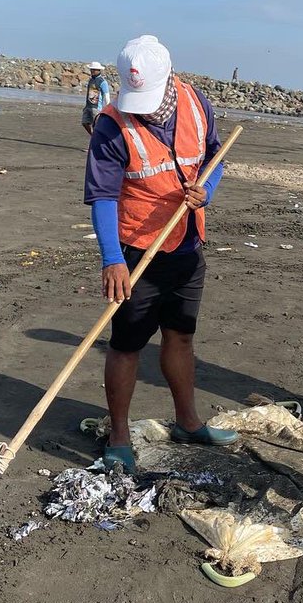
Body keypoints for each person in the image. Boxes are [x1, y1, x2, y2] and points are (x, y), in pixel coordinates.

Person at [83, 35, 239, 473]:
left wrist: (205, 190)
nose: (144, 108)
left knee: (181, 336)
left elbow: (215, 156)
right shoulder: (113, 125)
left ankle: (189, 422)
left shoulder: (194, 102)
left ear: (169, 79)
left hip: (187, 245)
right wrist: (112, 258)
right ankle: (119, 434)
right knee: (127, 344)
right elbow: (102, 196)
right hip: (136, 251)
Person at [82, 62, 111, 135]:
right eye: (91, 70)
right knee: (85, 122)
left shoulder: (102, 82)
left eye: (94, 70)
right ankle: (93, 136)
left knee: (97, 126)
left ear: (99, 70)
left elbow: (106, 96)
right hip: (88, 106)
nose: (92, 71)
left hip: (97, 107)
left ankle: (97, 140)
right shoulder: (91, 80)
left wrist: (108, 108)